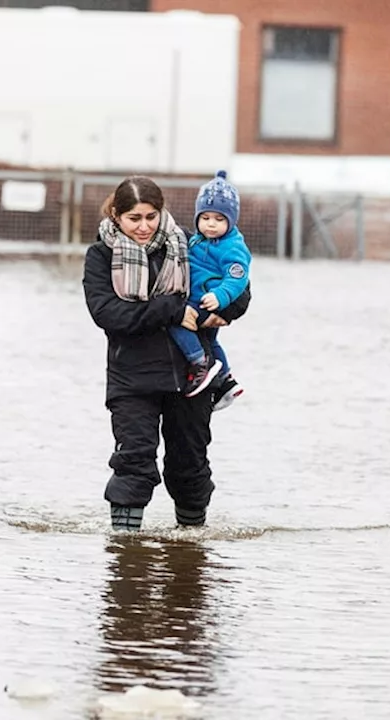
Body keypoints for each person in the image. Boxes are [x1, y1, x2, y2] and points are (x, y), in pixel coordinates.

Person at [82, 175, 249, 532]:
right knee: (133, 462)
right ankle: (126, 554)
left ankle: (191, 547)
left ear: (162, 213)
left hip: (191, 379)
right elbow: (108, 314)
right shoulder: (100, 256)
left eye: (151, 217)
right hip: (132, 380)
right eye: (134, 218)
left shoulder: (189, 243)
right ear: (116, 215)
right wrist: (173, 310)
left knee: (190, 465)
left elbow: (238, 284)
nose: (144, 227)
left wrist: (228, 310)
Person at [167, 170, 251, 409]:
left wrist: (220, 296)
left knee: (176, 323)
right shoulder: (196, 240)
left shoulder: (233, 247)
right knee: (211, 340)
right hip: (200, 296)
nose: (211, 224)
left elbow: (238, 277)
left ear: (231, 220)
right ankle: (226, 379)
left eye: (218, 219)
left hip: (206, 300)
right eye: (205, 218)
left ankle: (199, 363)